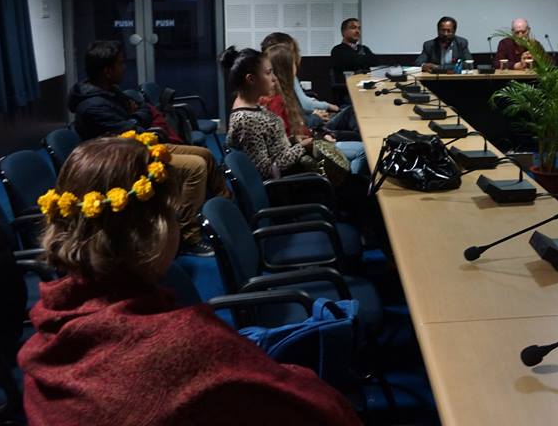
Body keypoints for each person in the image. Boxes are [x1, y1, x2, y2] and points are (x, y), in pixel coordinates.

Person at [19, 136, 360, 426]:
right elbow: (319, 410)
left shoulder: (44, 339)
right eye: (172, 212)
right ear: (155, 230)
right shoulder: (187, 344)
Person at [68, 40, 230, 254]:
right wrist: (138, 116)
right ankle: (187, 235)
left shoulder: (110, 91)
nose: (124, 67)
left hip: (143, 147)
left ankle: (226, 210)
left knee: (206, 154)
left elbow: (143, 109)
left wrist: (138, 115)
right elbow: (132, 127)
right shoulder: (92, 106)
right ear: (107, 71)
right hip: (125, 160)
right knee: (196, 167)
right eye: (120, 63)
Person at [264, 44, 367, 174]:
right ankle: (348, 183)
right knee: (363, 150)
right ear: (288, 68)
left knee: (350, 120)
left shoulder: (283, 95)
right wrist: (320, 138)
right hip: (307, 149)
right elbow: (289, 140)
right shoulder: (277, 100)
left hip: (310, 140)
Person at [221, 46, 312, 178]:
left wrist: (293, 141)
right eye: (268, 73)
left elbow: (271, 144)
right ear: (251, 79)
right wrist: (301, 148)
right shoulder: (247, 121)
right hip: (287, 184)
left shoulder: (252, 106)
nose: (274, 79)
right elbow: (265, 170)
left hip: (290, 171)